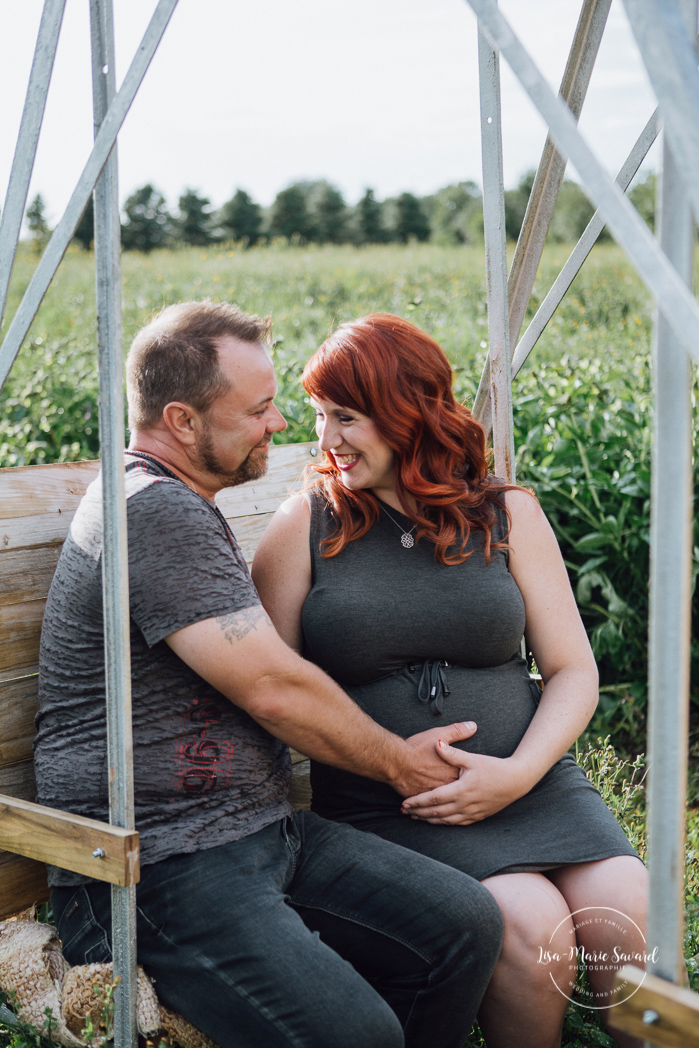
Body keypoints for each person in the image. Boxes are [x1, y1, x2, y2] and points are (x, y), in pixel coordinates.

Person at [35, 301, 504, 1048]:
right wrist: (401, 766)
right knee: (357, 1035)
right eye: (258, 409)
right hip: (154, 865)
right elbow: (273, 687)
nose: (281, 424)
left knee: (463, 924)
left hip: (259, 832)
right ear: (183, 421)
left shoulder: (174, 500)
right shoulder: (153, 512)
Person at [252, 312, 649, 1048]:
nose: (325, 439)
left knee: (628, 910)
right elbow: (271, 696)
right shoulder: (302, 528)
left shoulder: (505, 514)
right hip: (393, 808)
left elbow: (571, 672)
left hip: (535, 785)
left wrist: (516, 774)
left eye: (346, 416)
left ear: (408, 412)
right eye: (317, 415)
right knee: (532, 925)